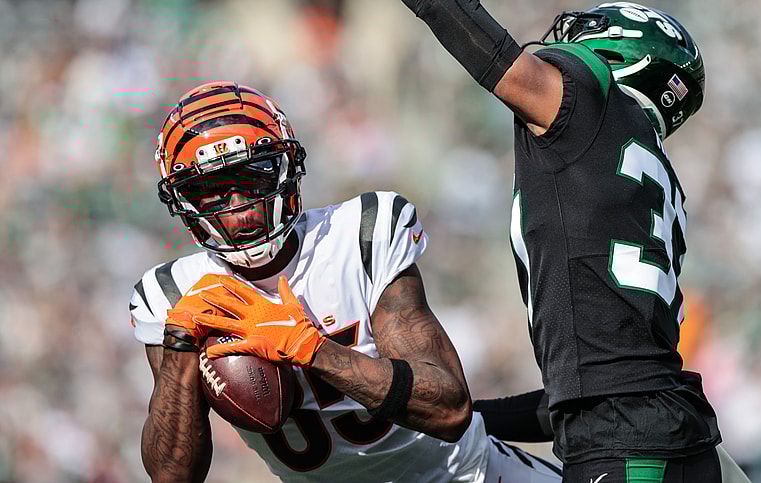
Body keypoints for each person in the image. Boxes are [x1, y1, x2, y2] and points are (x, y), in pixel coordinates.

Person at [130, 81, 562, 482]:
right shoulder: (171, 295)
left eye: (253, 177)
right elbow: (172, 475)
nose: (241, 208)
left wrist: (312, 349)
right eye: (214, 190)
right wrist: (180, 351)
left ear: (287, 170)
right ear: (183, 202)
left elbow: (449, 409)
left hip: (466, 475)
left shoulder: (360, 234)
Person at [397, 1, 750, 482]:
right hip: (669, 439)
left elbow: (495, 58)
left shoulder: (591, 100)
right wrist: (461, 415)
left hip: (625, 449)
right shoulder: (648, 175)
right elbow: (595, 387)